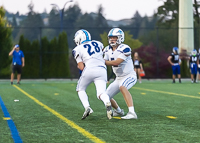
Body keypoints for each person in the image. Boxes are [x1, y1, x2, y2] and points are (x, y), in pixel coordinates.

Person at [72, 29, 112, 120]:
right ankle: (107, 102)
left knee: (80, 89)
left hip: (89, 69)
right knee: (101, 93)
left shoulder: (77, 49)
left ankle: (87, 107)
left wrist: (80, 66)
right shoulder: (98, 43)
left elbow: (81, 67)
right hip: (102, 69)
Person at [103, 28, 138, 119]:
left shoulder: (125, 48)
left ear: (120, 38)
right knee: (105, 96)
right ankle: (118, 111)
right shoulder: (107, 49)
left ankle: (132, 113)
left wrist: (101, 61)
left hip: (129, 75)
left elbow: (116, 62)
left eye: (114, 37)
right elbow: (104, 60)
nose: (112, 39)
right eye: (111, 37)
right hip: (118, 78)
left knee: (123, 86)